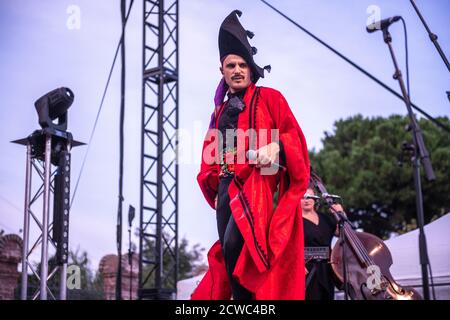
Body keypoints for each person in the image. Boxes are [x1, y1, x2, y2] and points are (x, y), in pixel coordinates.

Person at [191, 10, 310, 300]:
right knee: (231, 257)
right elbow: (210, 155)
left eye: (243, 64)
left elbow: (295, 137)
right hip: (226, 187)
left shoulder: (271, 98)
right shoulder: (218, 112)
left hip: (257, 185)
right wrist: (213, 185)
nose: (238, 70)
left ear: (250, 68)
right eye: (231, 65)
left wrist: (277, 145)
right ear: (222, 70)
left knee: (235, 244)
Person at [301, 186, 344, 300]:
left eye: (310, 197)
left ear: (315, 199)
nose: (306, 200)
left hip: (327, 268)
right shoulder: (294, 220)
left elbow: (341, 233)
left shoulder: (325, 218)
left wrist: (340, 213)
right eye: (303, 197)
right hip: (305, 269)